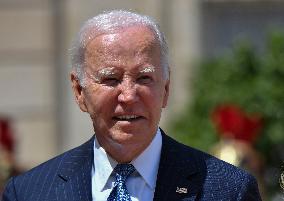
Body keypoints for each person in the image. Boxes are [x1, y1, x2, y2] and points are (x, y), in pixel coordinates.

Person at [1, 10, 262, 201]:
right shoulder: (29, 192)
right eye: (111, 79)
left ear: (166, 89)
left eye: (144, 78)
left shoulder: (228, 190)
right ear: (79, 91)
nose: (128, 95)